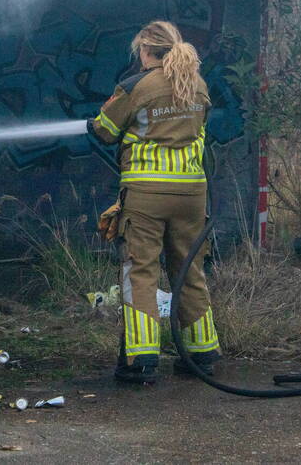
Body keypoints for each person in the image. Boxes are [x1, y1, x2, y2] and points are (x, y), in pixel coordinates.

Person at [88, 20, 221, 384]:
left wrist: (95, 121)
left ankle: (141, 361)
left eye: (140, 52)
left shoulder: (137, 86)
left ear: (146, 50)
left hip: (147, 196)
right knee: (190, 270)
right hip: (191, 194)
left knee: (141, 271)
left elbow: (105, 130)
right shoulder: (197, 84)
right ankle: (201, 355)